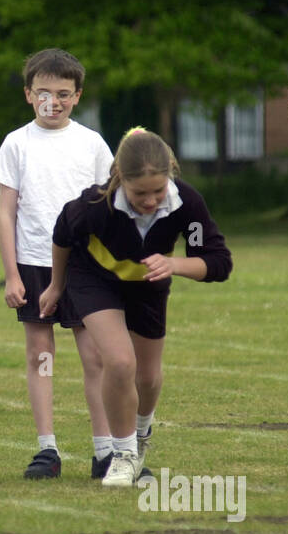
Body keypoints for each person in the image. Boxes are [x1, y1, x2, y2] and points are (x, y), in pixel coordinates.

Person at [41, 127, 232, 487]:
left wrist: (174, 264)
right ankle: (123, 455)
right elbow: (63, 234)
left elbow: (218, 262)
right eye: (140, 193)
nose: (150, 200)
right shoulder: (96, 205)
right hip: (95, 279)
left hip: (148, 285)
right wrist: (55, 285)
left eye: (158, 191)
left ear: (170, 176)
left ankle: (141, 433)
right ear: (119, 180)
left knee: (147, 376)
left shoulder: (186, 205)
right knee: (119, 361)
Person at [0, 48, 116, 480]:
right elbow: (6, 213)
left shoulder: (92, 144)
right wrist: (11, 274)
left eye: (63, 93)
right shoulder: (16, 144)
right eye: (44, 93)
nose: (53, 102)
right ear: (29, 94)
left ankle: (106, 452)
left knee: (95, 356)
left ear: (77, 96)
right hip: (33, 263)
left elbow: (108, 206)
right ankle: (47, 449)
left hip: (84, 267)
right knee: (40, 353)